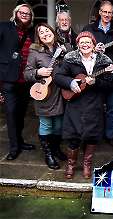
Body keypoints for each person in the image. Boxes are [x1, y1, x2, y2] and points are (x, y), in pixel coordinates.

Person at [54, 31, 113, 179]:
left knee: (92, 136)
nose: (85, 44)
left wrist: (97, 82)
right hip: (75, 103)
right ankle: (71, 164)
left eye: (88, 42)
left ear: (94, 45)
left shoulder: (104, 62)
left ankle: (87, 164)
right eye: (82, 42)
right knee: (73, 136)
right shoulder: (70, 60)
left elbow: (110, 85)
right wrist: (70, 82)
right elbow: (58, 77)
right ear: (78, 45)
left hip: (94, 104)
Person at [83, 0, 113, 147]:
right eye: (105, 12)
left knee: (112, 108)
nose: (107, 15)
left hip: (112, 76)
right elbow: (81, 50)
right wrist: (93, 50)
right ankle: (93, 136)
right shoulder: (89, 29)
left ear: (112, 14)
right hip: (95, 75)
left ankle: (110, 135)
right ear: (100, 12)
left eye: (110, 12)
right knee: (94, 108)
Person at [24, 23, 67, 169]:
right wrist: (38, 73)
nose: (45, 33)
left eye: (47, 30)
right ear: (39, 38)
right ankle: (48, 154)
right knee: (47, 125)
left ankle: (56, 149)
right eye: (41, 32)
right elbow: (27, 74)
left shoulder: (63, 48)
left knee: (59, 126)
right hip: (44, 93)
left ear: (53, 32)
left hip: (60, 93)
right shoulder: (35, 52)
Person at [0, 4, 36, 160]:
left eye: (28, 14)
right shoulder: (4, 27)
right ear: (15, 13)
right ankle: (14, 147)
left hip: (25, 80)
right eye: (22, 12)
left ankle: (20, 141)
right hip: (8, 80)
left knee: (21, 113)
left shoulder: (31, 33)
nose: (24, 15)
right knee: (11, 113)